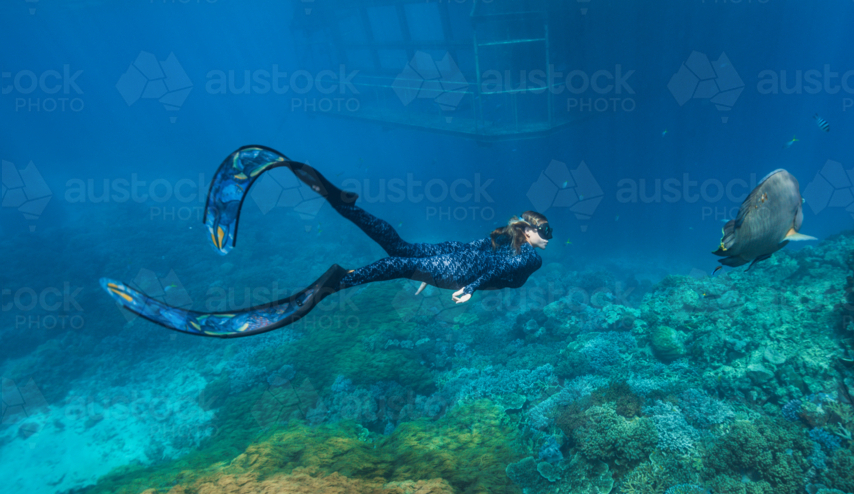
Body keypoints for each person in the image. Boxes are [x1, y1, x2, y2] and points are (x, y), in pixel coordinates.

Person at [100, 145, 552, 338]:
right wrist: (466, 286)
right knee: (395, 263)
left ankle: (340, 201)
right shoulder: (528, 257)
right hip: (449, 268)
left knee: (397, 247)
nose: (546, 240)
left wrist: (438, 269)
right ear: (531, 232)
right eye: (544, 233)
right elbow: (495, 269)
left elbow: (476, 250)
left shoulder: (505, 236)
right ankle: (339, 280)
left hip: (444, 257)